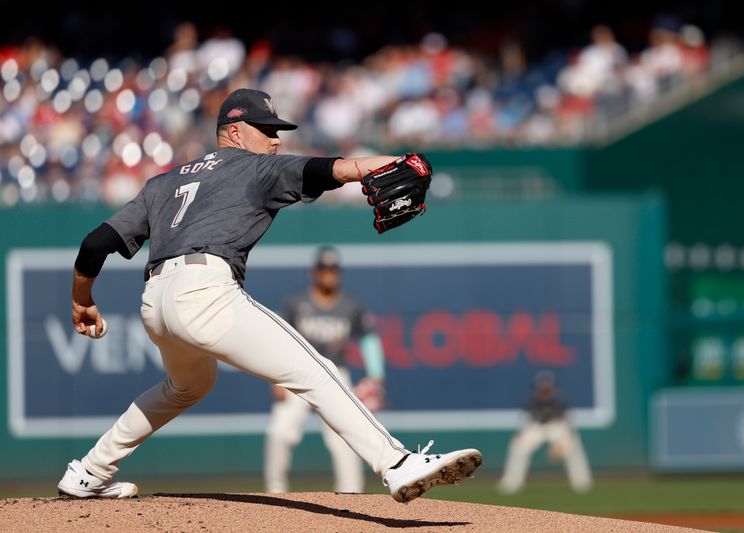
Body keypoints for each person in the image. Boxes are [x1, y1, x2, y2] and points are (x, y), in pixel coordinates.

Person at [56, 88, 482, 503]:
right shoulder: (252, 168)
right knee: (316, 371)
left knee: (187, 386)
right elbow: (333, 170)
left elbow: (96, 243)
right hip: (205, 291)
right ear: (235, 131)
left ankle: (90, 471)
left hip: (156, 301)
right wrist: (396, 162)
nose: (276, 139)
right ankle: (397, 463)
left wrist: (82, 299)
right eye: (266, 128)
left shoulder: (163, 183)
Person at [265, 245, 386, 493]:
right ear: (314, 272)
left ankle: (351, 494)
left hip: (335, 374)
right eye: (324, 269)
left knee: (344, 437)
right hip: (296, 372)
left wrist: (376, 376)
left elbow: (369, 339)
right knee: (279, 432)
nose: (328, 274)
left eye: (332, 269)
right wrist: (274, 379)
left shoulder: (350, 304)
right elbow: (278, 339)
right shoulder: (297, 302)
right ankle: (274, 490)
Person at [497, 371, 592, 494]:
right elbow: (525, 418)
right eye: (542, 386)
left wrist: (565, 438)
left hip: (556, 426)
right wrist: (521, 433)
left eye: (547, 386)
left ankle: (582, 482)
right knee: (518, 446)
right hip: (536, 427)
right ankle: (511, 483)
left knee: (573, 446)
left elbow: (566, 418)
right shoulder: (531, 399)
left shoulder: (559, 398)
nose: (545, 388)